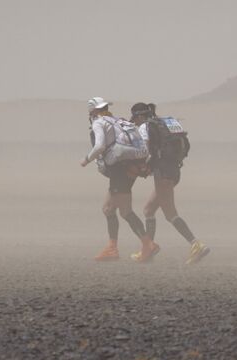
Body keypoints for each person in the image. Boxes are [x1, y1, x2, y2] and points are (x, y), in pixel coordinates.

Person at [80, 97, 159, 262]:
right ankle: (112, 248)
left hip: (120, 170)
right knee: (108, 208)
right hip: (129, 168)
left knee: (125, 211)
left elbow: (100, 145)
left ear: (93, 111)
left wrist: (86, 160)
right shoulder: (118, 121)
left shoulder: (99, 123)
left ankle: (147, 244)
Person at [130, 102, 210, 264]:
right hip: (174, 171)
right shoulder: (163, 123)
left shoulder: (145, 127)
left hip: (163, 173)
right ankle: (148, 249)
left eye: (134, 119)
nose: (134, 122)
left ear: (139, 116)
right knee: (148, 210)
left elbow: (144, 149)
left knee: (170, 213)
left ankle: (197, 245)